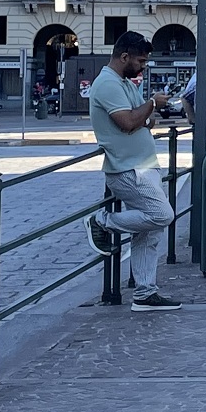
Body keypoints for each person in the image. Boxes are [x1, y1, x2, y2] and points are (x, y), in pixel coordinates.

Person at [83, 32, 181, 312]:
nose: (144, 65)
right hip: (128, 167)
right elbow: (128, 121)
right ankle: (102, 221)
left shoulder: (124, 82)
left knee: (149, 233)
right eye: (140, 60)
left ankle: (145, 292)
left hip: (142, 164)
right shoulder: (107, 84)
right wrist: (151, 104)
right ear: (124, 57)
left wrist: (145, 113)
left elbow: (143, 121)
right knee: (162, 215)